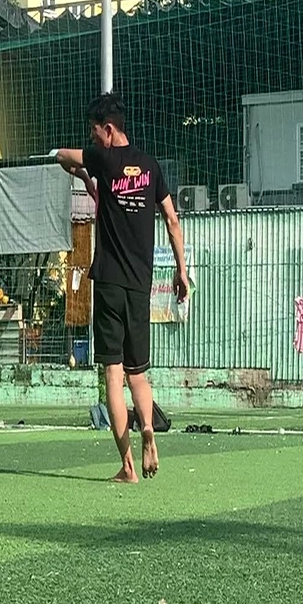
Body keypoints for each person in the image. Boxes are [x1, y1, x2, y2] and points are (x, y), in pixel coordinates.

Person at [53, 94, 186, 483]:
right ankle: (148, 426)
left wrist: (78, 166)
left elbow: (63, 156)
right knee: (137, 373)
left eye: (94, 133)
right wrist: (180, 271)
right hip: (139, 285)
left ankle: (128, 466)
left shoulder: (104, 159)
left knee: (113, 374)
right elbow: (172, 220)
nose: (92, 139)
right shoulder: (151, 166)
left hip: (109, 282)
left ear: (108, 129)